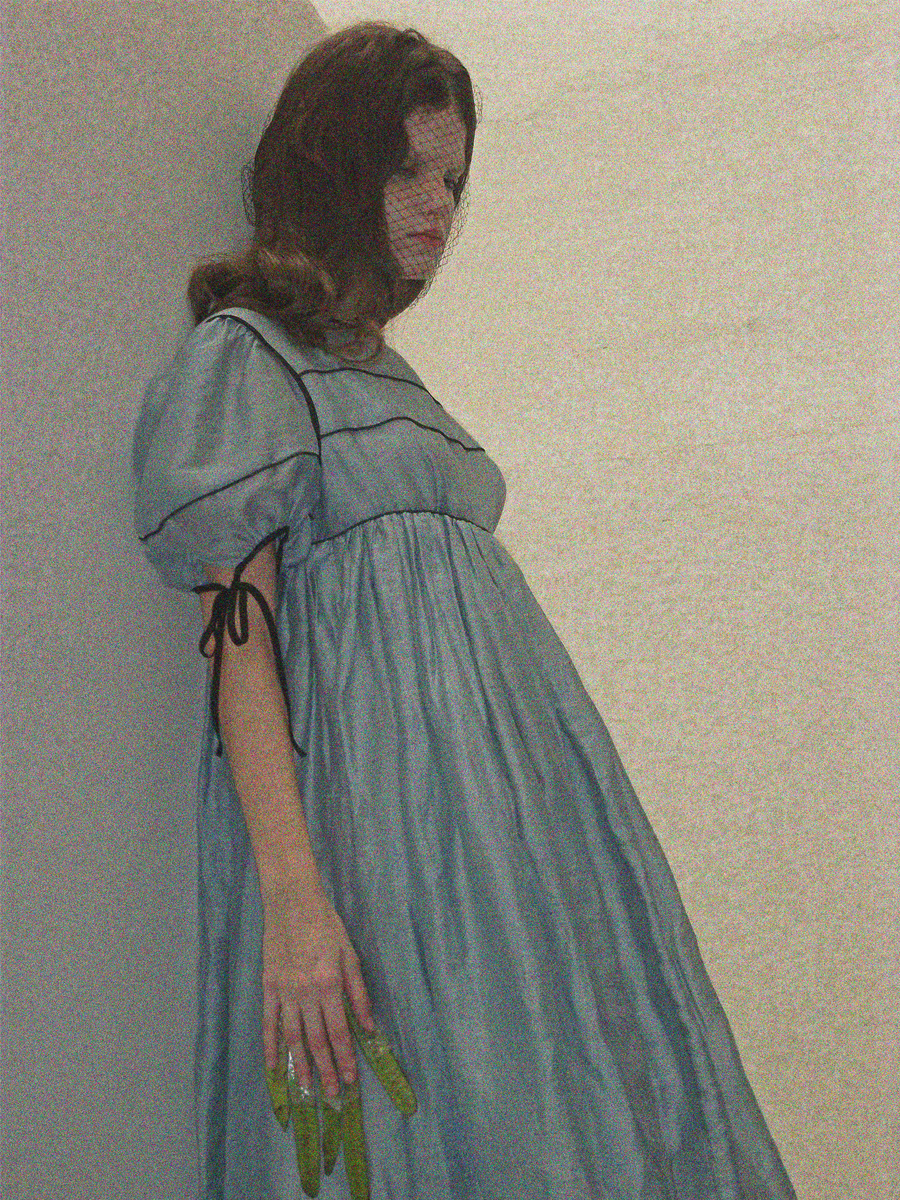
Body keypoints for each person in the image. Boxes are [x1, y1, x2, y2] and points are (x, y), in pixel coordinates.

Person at [132, 20, 798, 1200]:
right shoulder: (250, 357)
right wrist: (293, 898)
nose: (437, 206)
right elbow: (240, 648)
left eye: (451, 180)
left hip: (514, 842)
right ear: (335, 171)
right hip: (384, 840)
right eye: (405, 172)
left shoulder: (394, 380)